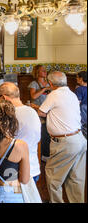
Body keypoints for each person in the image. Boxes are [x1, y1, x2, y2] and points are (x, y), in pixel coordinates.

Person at [36, 71, 86, 203]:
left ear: (51, 83)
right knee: (76, 179)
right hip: (80, 139)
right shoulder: (71, 93)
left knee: (53, 178)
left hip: (65, 142)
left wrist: (34, 107)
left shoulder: (54, 94)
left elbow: (41, 112)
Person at [28, 64, 51, 162]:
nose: (45, 72)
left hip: (47, 110)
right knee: (42, 132)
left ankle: (46, 153)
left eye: (45, 70)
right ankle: (41, 154)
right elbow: (33, 96)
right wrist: (44, 89)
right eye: (42, 70)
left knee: (48, 132)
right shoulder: (34, 84)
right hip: (37, 111)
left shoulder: (49, 82)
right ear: (37, 72)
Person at [74, 71, 87, 138]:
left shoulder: (79, 89)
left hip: (83, 113)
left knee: (83, 132)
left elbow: (77, 103)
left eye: (77, 78)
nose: (76, 79)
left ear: (81, 79)